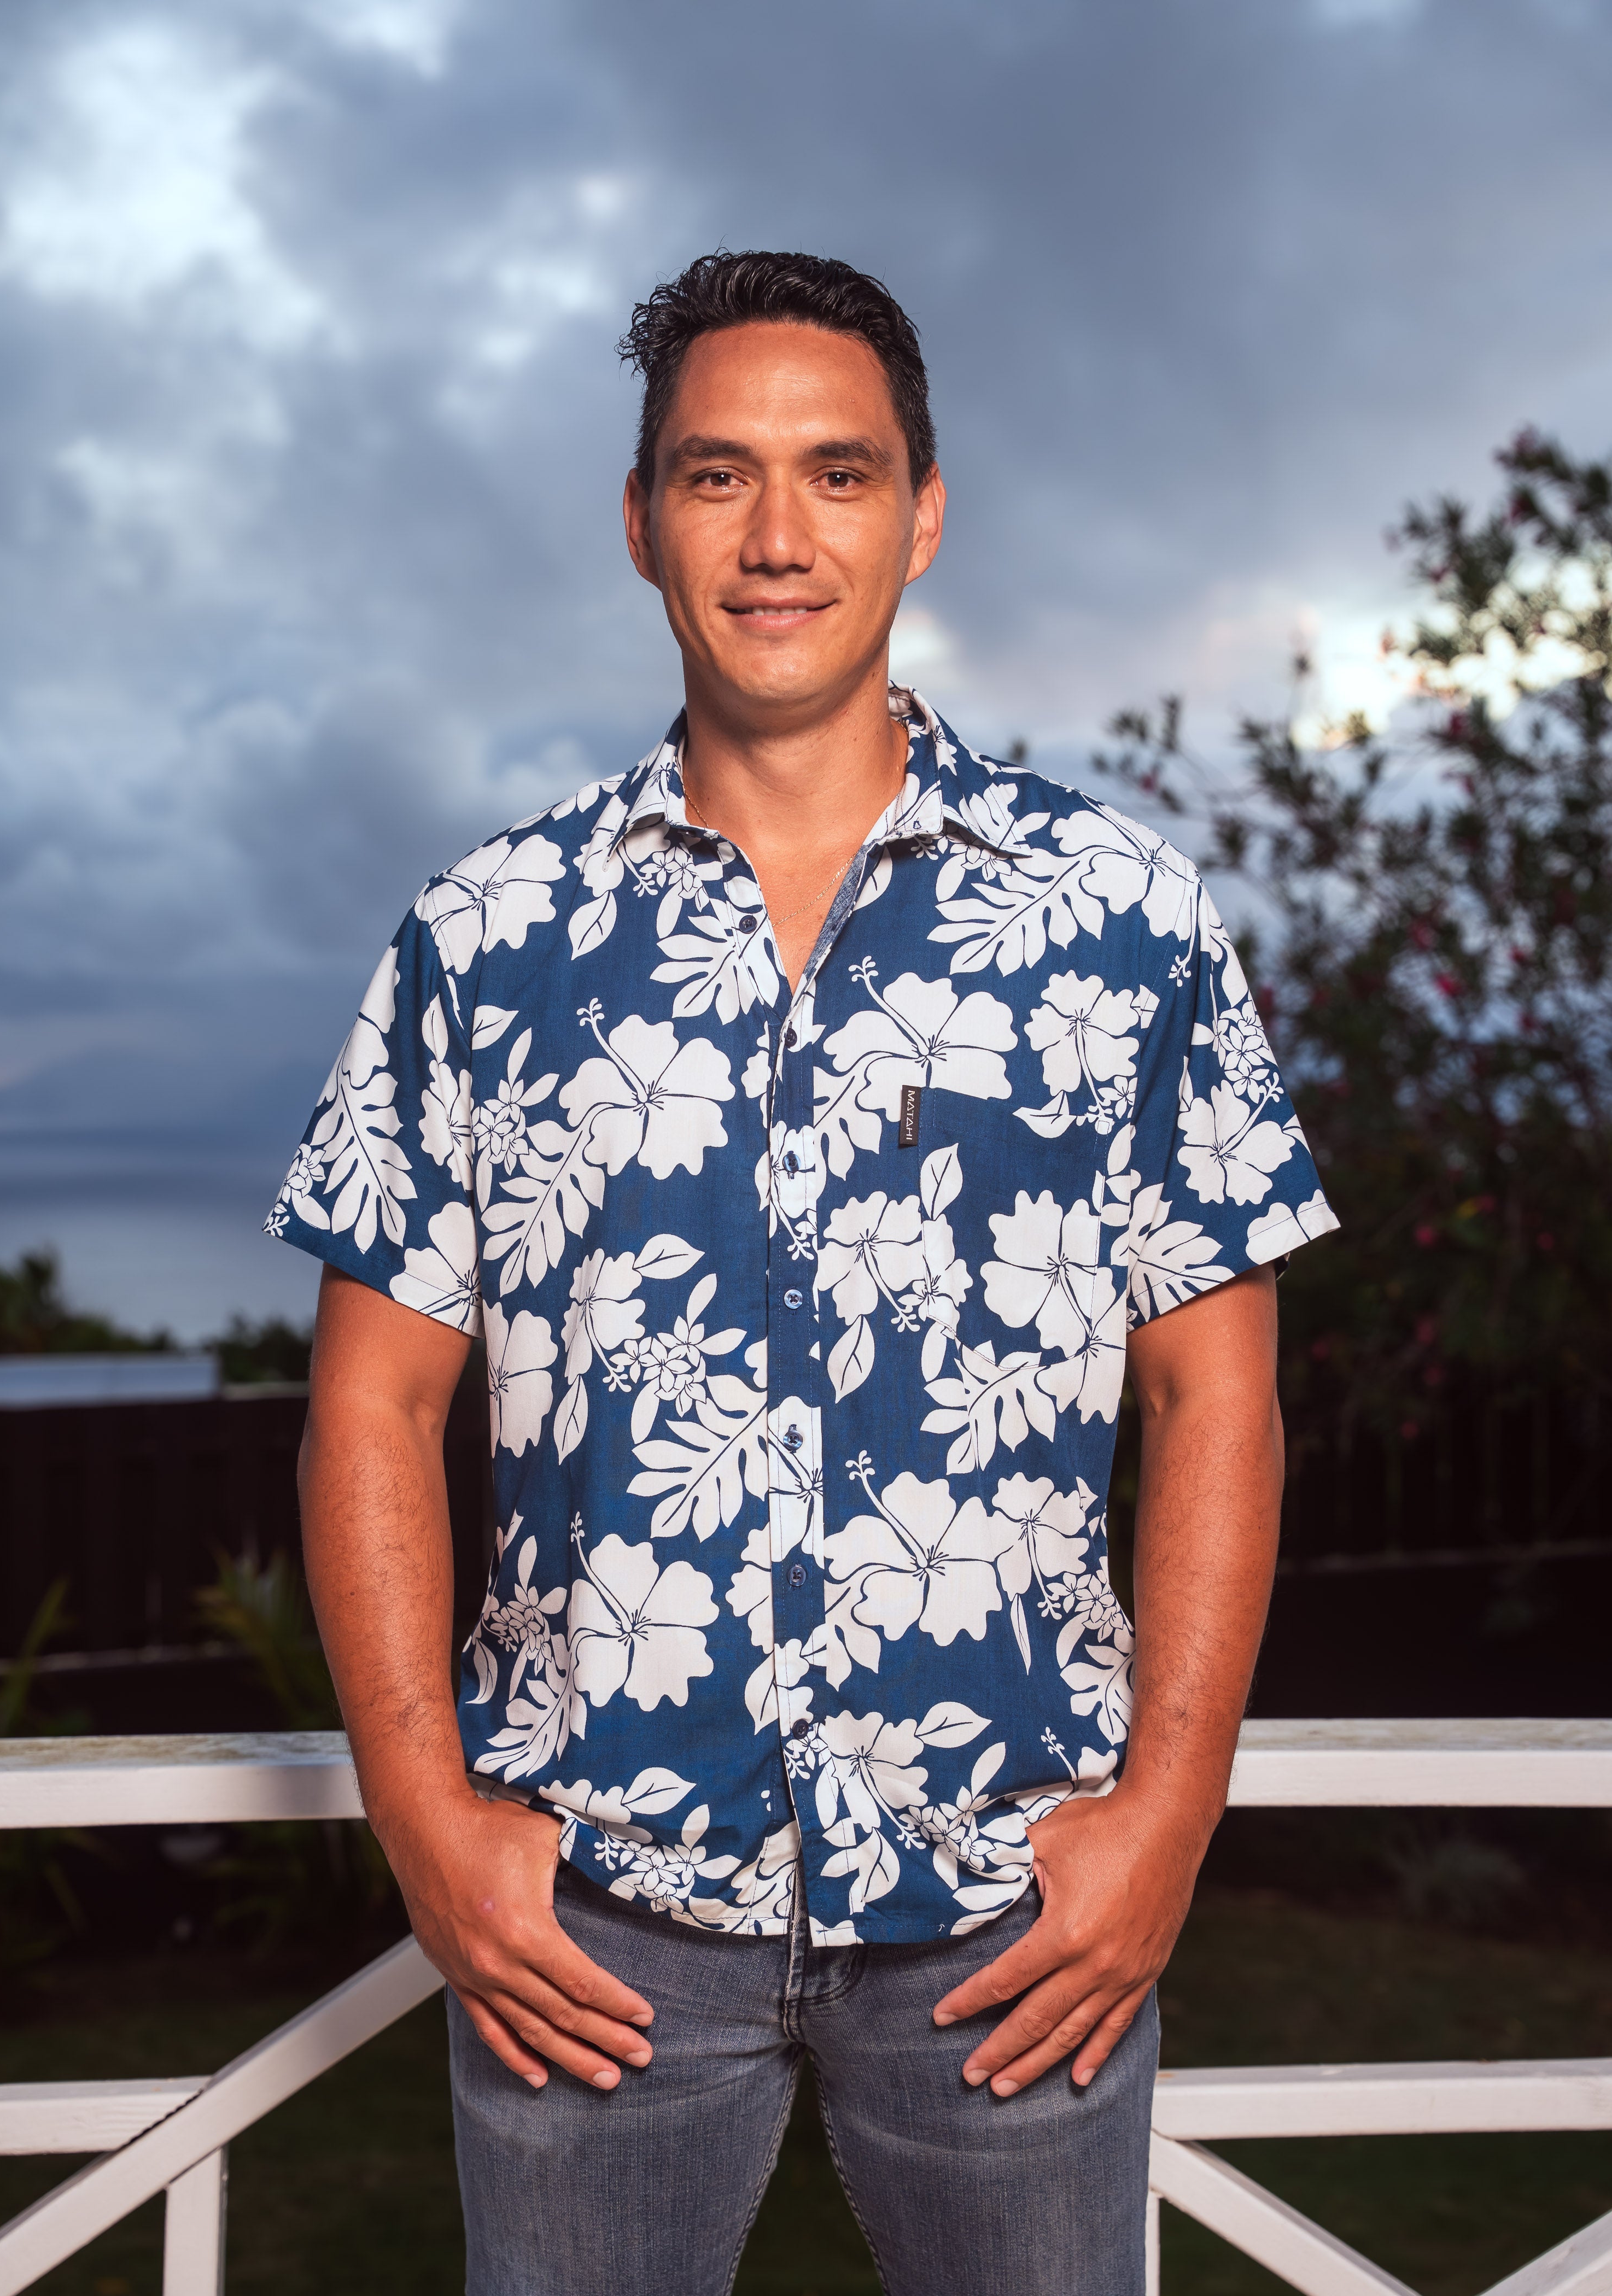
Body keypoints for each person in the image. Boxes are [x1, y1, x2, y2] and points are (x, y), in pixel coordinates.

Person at [270, 249, 1336, 2295]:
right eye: (716, 476)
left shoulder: (1123, 921)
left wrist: (1169, 1817)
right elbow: (371, 1404)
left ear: (923, 514)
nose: (778, 538)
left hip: (1016, 1919)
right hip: (592, 1924)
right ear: (640, 520)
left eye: (838, 476)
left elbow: (1224, 1397)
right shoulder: (486, 936)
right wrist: (427, 1819)